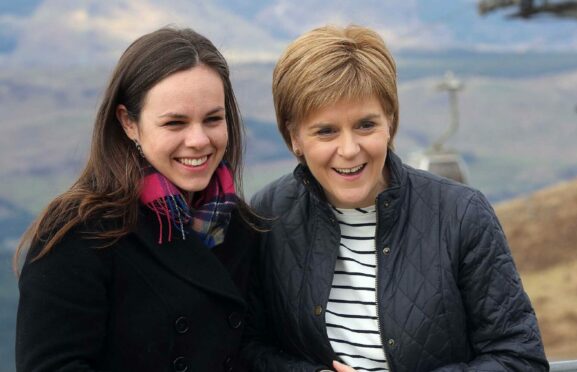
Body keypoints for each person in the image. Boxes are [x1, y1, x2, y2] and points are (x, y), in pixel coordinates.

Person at [241, 25, 548, 371]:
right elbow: (248, 347)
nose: (349, 149)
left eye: (365, 125)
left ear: (390, 121)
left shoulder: (461, 215)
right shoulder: (268, 215)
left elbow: (520, 359)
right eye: (326, 131)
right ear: (294, 136)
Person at [15, 27, 257, 372]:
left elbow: (257, 349)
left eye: (213, 119)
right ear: (129, 123)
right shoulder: (80, 231)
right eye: (175, 123)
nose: (199, 140)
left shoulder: (240, 226)